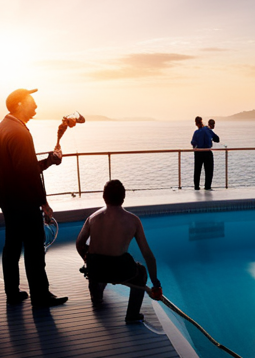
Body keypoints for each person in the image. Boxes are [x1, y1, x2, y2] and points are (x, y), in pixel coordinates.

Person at [0, 88, 68, 307]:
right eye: (32, 102)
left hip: (9, 200)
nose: (36, 107)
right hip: (24, 201)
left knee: (11, 247)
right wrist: (43, 202)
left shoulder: (4, 127)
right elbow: (27, 173)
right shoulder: (19, 132)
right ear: (19, 104)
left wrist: (49, 160)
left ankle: (12, 292)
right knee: (34, 250)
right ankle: (40, 296)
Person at [75, 180, 161, 323]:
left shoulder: (92, 218)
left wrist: (86, 259)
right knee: (141, 272)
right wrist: (156, 283)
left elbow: (79, 244)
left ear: (104, 197)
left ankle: (96, 297)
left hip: (97, 269)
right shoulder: (133, 221)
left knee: (96, 263)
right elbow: (148, 255)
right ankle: (132, 315)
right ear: (123, 198)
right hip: (120, 270)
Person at [191, 116, 215, 190]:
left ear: (196, 123)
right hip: (207, 151)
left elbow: (193, 143)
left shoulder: (196, 132)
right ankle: (207, 186)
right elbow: (216, 138)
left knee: (197, 170)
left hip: (198, 152)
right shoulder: (207, 130)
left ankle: (196, 187)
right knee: (209, 171)